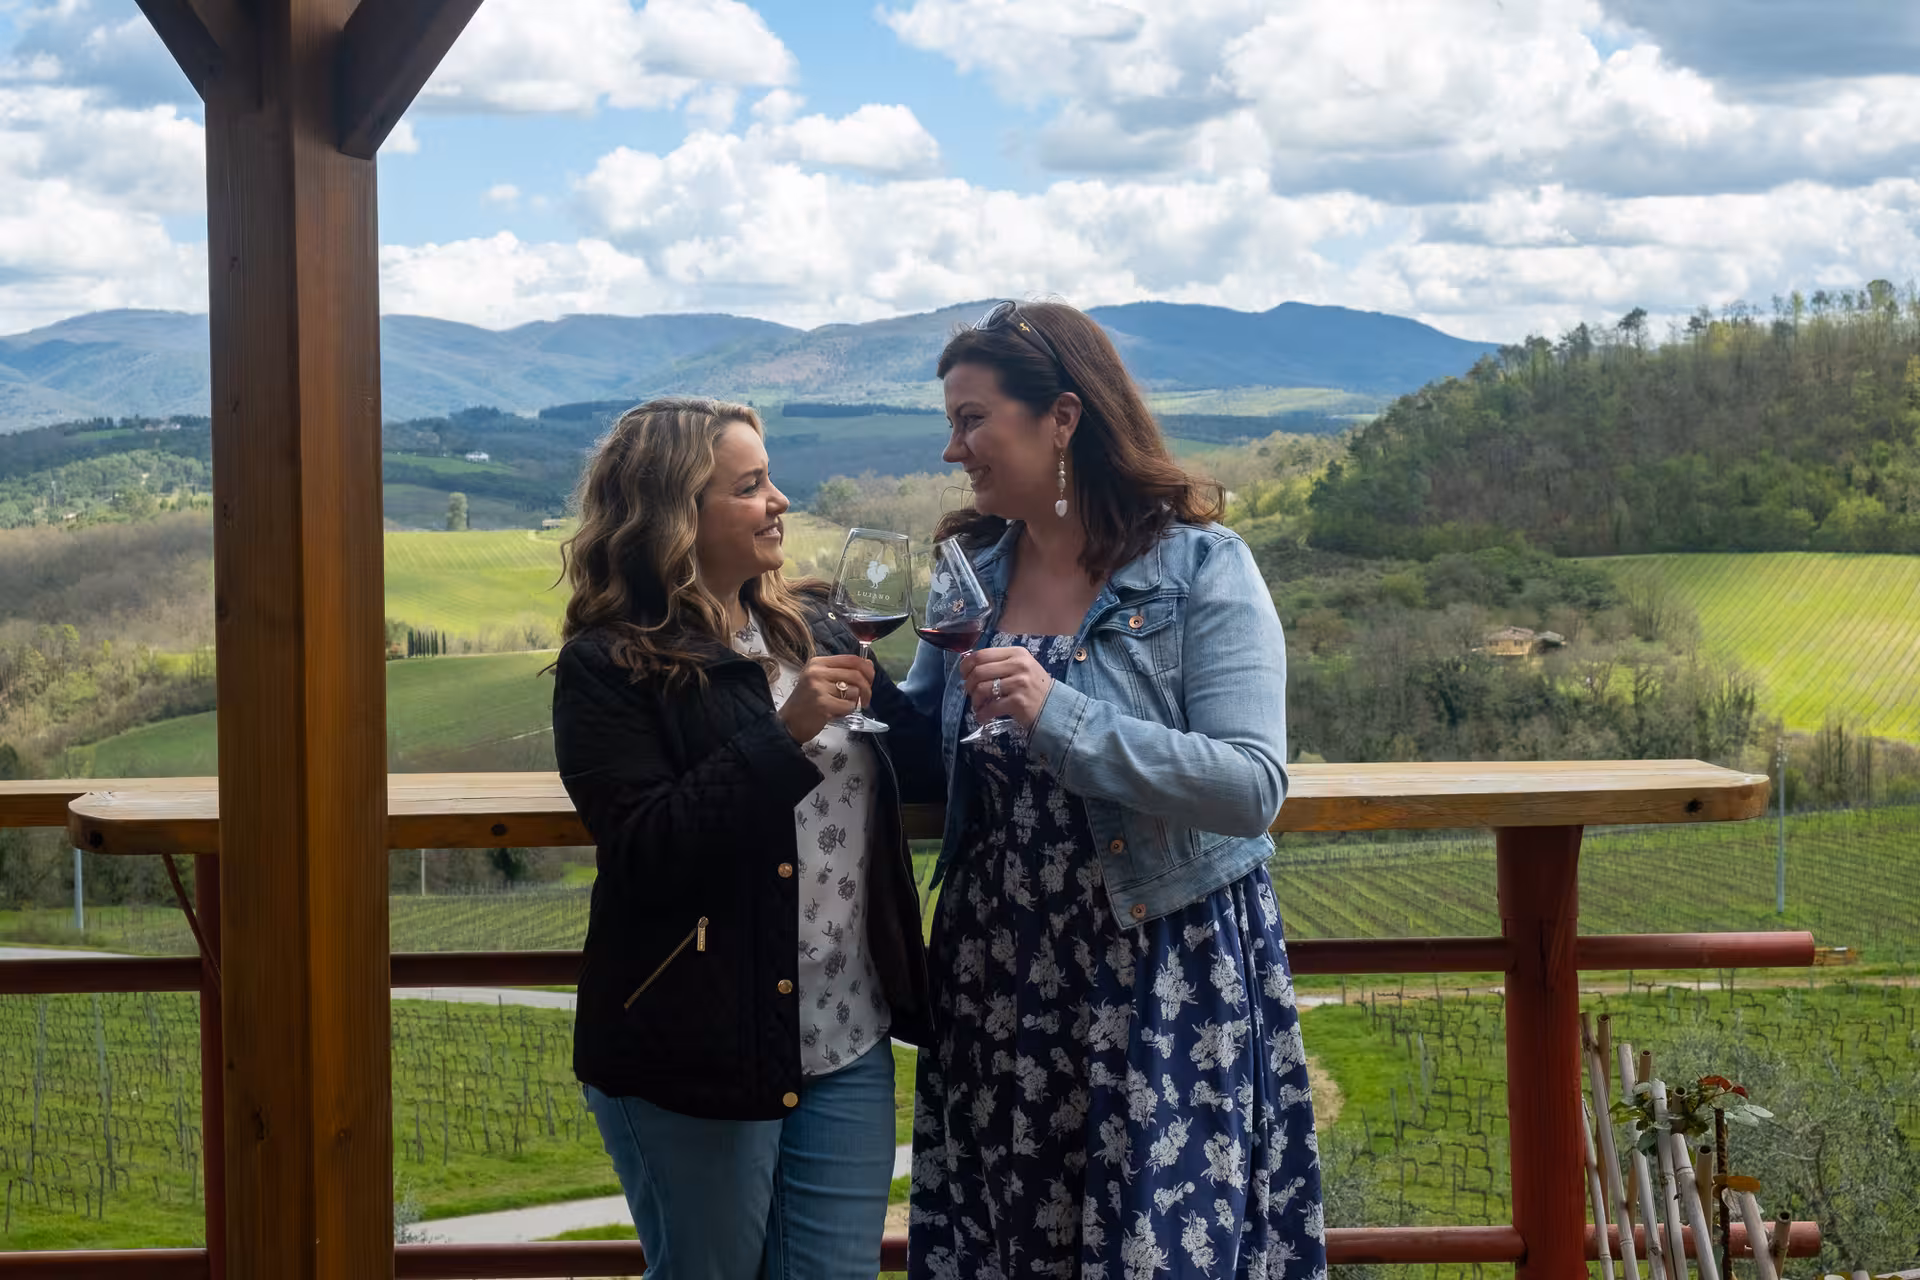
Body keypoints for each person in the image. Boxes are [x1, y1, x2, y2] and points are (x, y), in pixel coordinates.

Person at [902, 303, 1324, 1277]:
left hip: (1161, 971)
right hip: (998, 978)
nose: (951, 446)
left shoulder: (1202, 568)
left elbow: (1251, 784)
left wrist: (1061, 713)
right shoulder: (971, 573)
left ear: (1061, 416)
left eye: (972, 419)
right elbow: (929, 756)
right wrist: (819, 683)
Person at [551, 396, 938, 1279]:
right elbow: (646, 850)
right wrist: (784, 732)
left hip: (846, 1032)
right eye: (752, 485)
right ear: (675, 512)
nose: (781, 502)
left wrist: (963, 703)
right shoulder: (611, 664)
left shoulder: (819, 626)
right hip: (698, 1038)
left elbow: (918, 772)